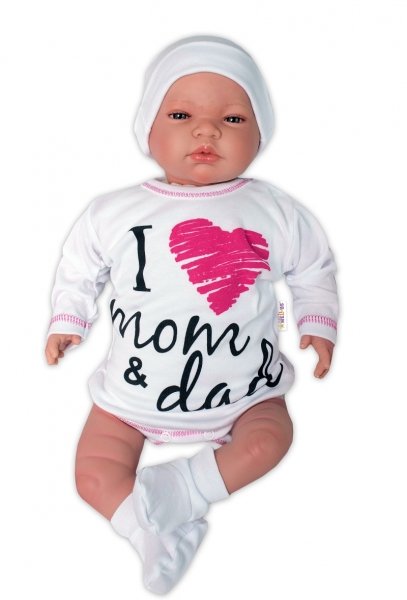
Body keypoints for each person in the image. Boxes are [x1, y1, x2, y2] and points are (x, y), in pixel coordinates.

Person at [45, 35, 338, 594]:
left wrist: (316, 322)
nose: (207, 131)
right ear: (147, 129)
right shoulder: (113, 212)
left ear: (260, 134)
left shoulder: (274, 210)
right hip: (130, 398)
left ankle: (185, 489)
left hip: (247, 395)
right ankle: (151, 534)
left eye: (233, 118)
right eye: (182, 115)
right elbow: (79, 270)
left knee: (269, 442)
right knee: (91, 476)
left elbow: (313, 269)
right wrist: (68, 320)